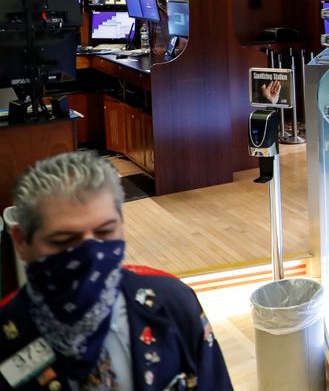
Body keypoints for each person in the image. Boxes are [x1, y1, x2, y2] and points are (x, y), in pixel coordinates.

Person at [0, 151, 233, 390]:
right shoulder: (6, 336)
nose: (91, 255)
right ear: (21, 242)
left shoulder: (174, 304)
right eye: (64, 240)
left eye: (104, 232)